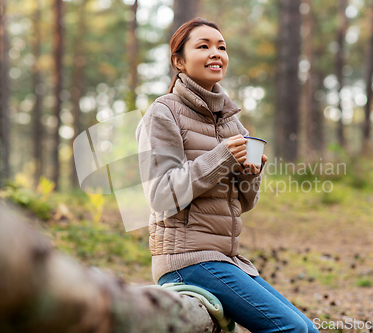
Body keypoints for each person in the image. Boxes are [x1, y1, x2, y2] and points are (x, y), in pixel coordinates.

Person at [135, 17, 318, 333]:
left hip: (226, 260)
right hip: (185, 261)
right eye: (203, 46)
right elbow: (161, 195)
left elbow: (244, 204)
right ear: (179, 60)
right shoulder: (163, 112)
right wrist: (222, 157)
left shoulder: (233, 124)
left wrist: (250, 173)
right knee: (292, 330)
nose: (215, 53)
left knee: (306, 329)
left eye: (221, 46)